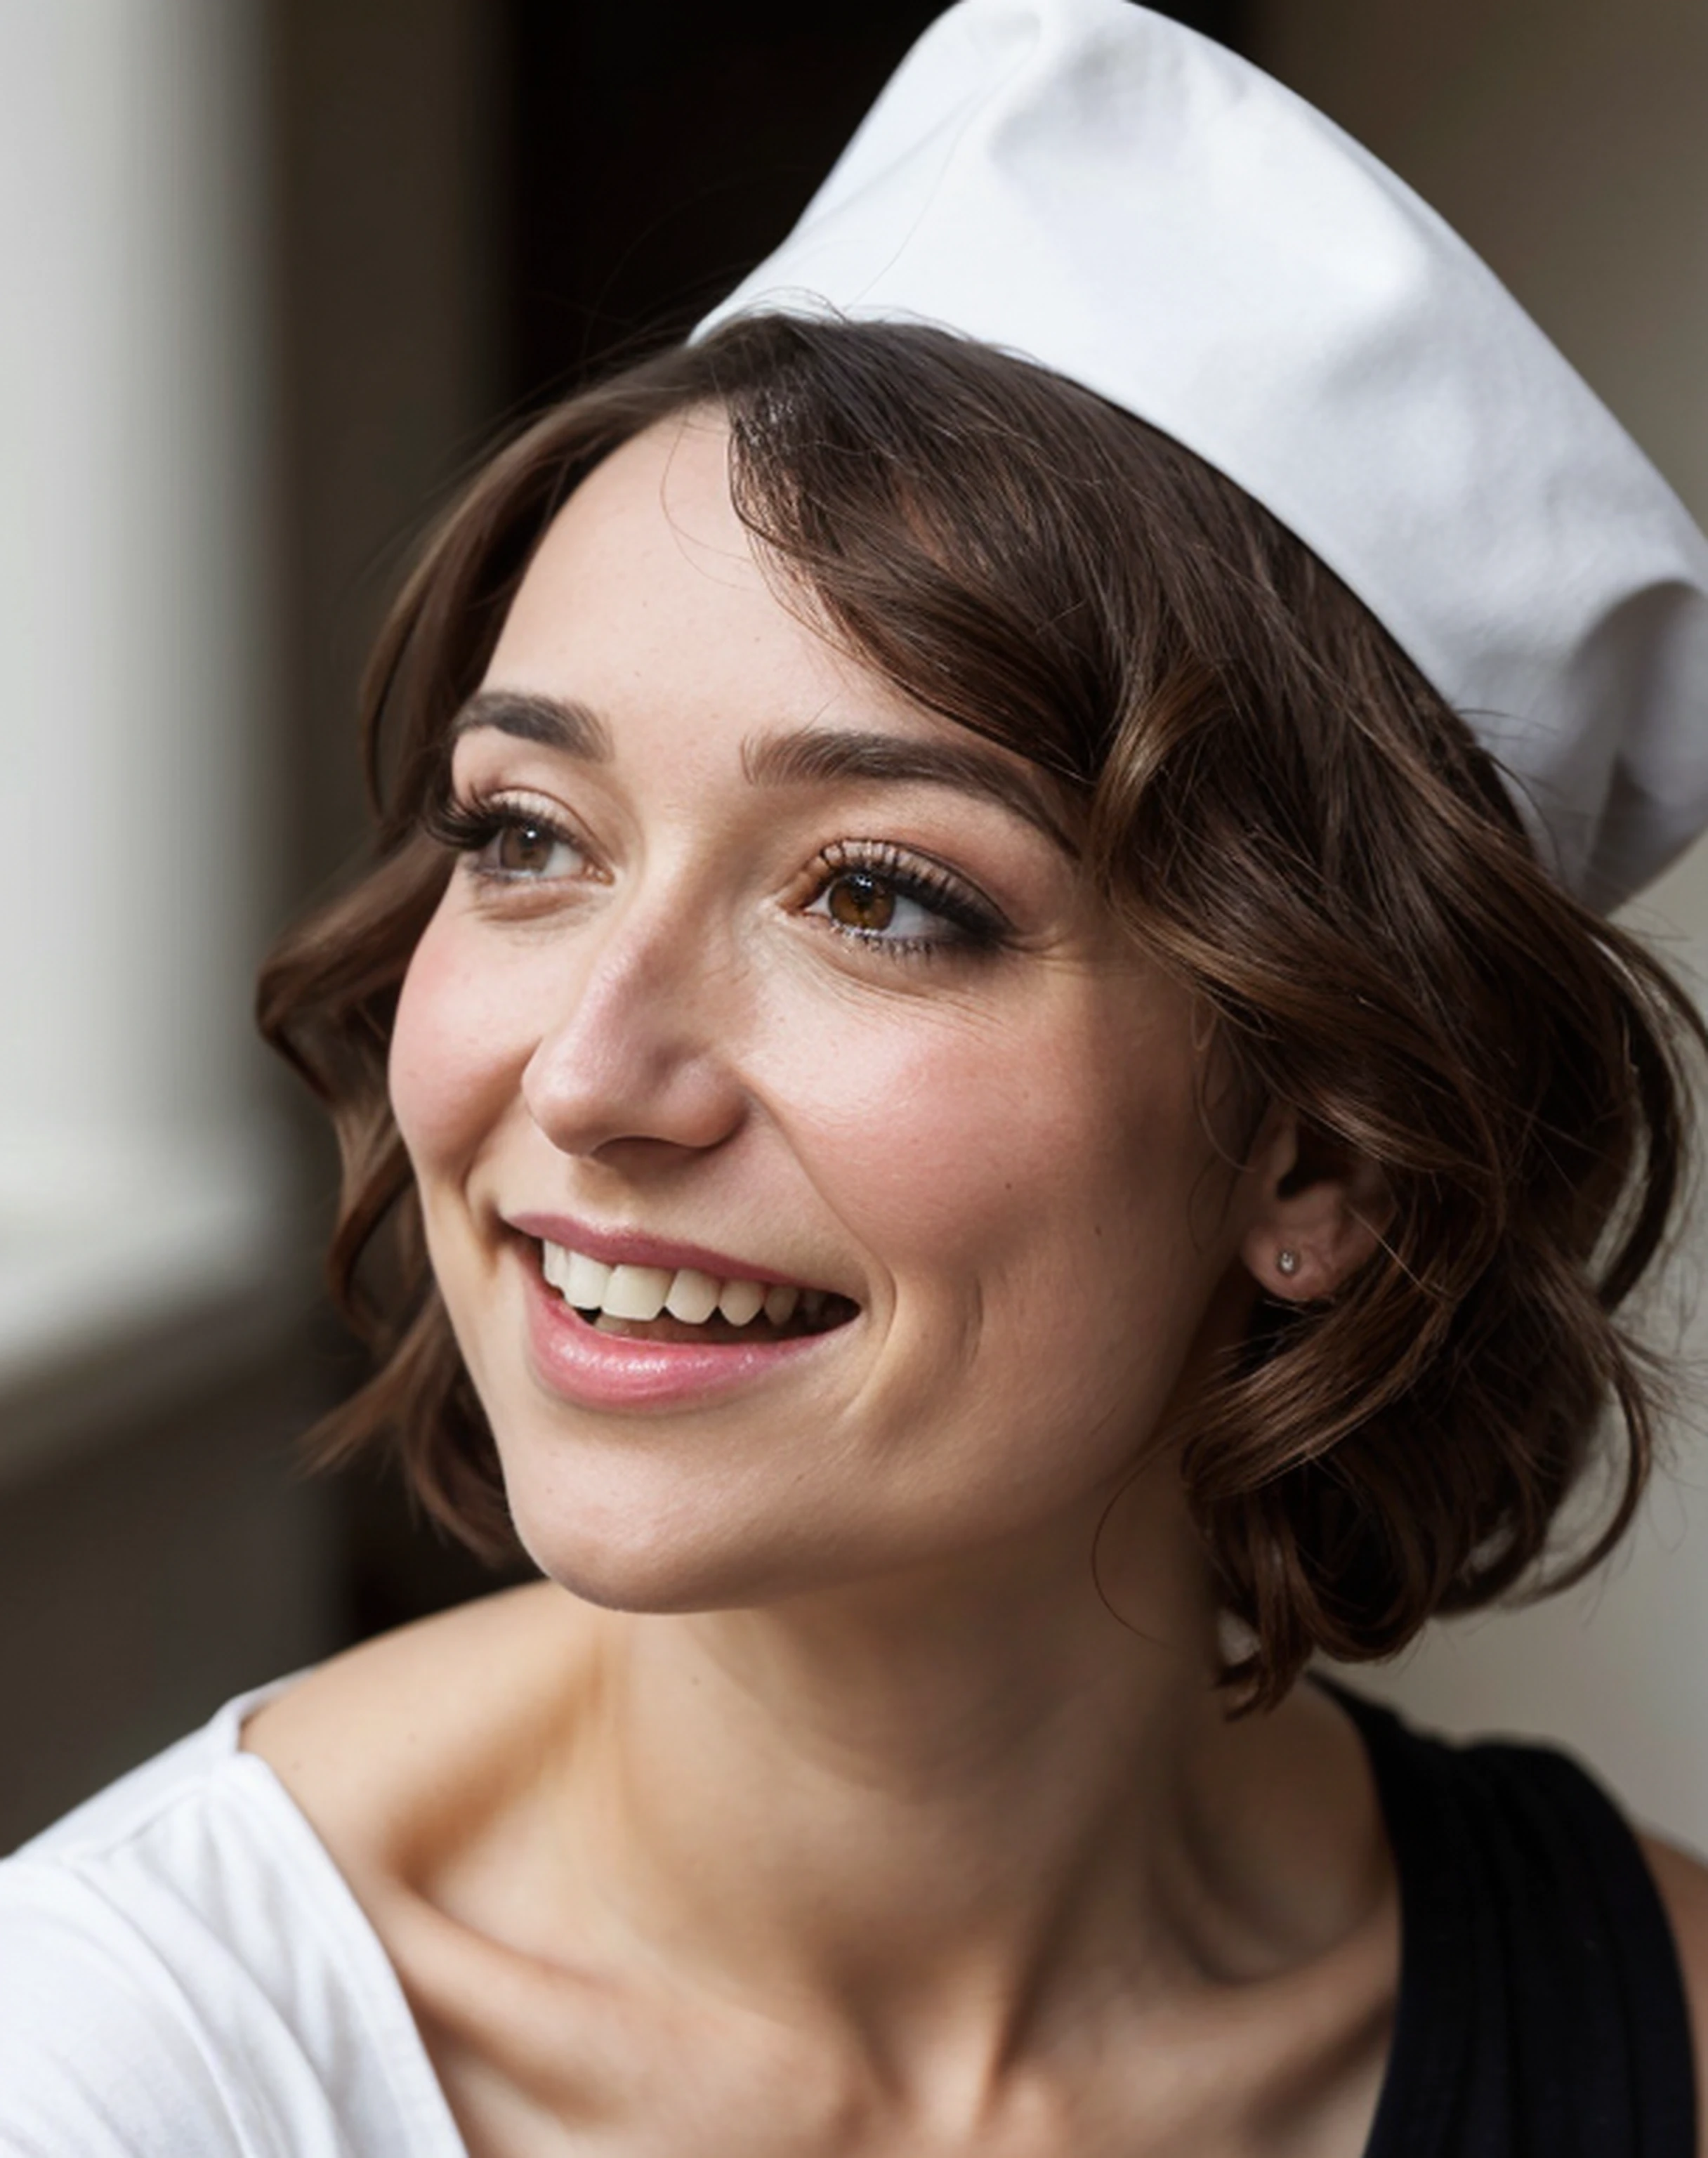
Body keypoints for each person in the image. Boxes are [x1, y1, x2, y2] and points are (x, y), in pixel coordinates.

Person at [5, 1, 1708, 2151]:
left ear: (1324, 1145)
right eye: (528, 838)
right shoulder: (111, 2078)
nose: (597, 1072)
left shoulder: (1666, 2045)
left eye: (880, 896)